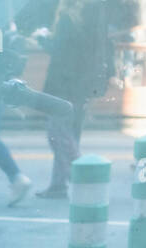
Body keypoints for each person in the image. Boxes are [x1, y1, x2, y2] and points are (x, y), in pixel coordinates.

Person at [30, 0, 113, 200]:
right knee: (70, 134)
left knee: (57, 133)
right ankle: (58, 184)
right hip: (83, 84)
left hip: (65, 86)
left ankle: (84, 175)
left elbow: (62, 52)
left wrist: (43, 39)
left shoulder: (69, 18)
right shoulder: (94, 14)